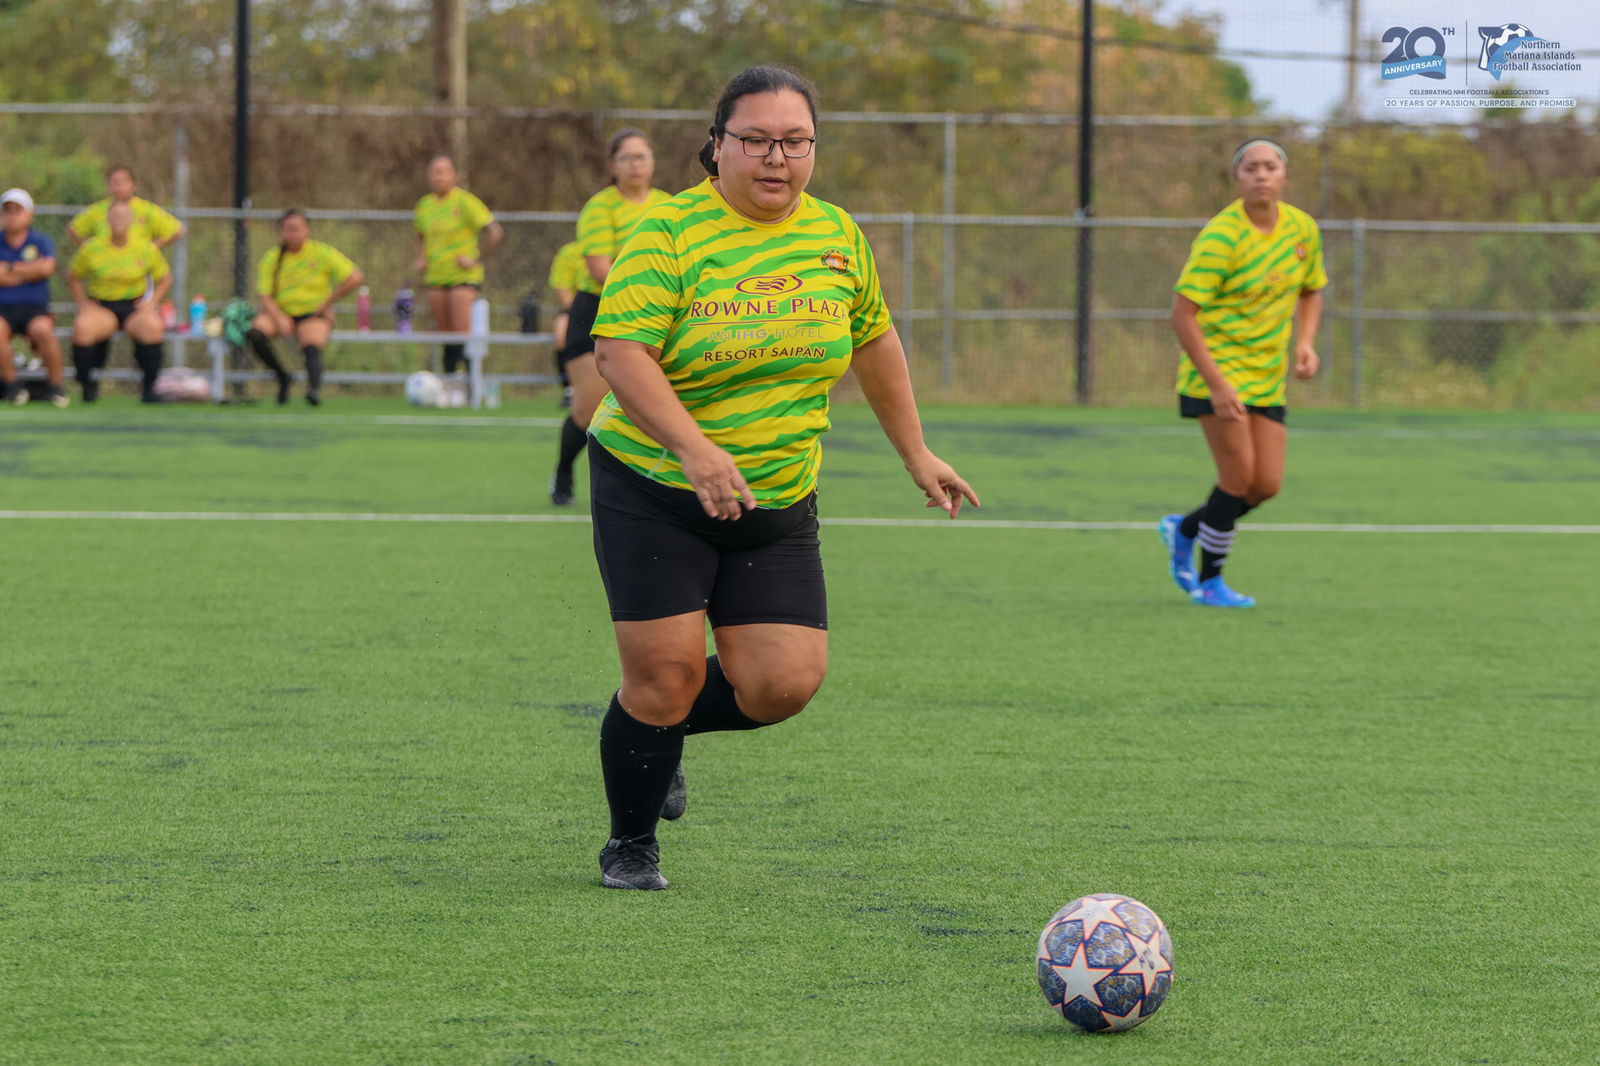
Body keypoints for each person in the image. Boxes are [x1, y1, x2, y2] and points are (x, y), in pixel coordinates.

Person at [585, 66, 979, 890]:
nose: (777, 159)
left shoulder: (836, 236)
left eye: (795, 142)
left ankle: (660, 733)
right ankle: (631, 844)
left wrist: (918, 453)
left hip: (777, 495)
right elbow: (620, 353)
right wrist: (695, 449)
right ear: (717, 146)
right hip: (655, 487)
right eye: (757, 141)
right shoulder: (669, 233)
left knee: (781, 685)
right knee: (665, 676)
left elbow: (873, 340)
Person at [1159, 138, 1326, 608]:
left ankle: (1185, 528)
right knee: (1236, 479)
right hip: (1216, 374)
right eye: (1250, 167)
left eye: (1270, 166)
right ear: (1237, 178)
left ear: (1284, 175)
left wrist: (1306, 343)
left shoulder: (1301, 230)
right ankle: (1210, 582)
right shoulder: (1221, 236)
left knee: (1265, 485)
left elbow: (1312, 289)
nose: (1261, 175)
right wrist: (1216, 384)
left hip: (1267, 376)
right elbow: (1182, 313)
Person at [548, 130, 672, 506]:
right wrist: (654, 280)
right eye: (626, 157)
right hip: (598, 312)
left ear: (653, 162)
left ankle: (651, 489)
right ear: (612, 165)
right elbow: (601, 268)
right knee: (588, 410)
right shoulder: (600, 207)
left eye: (642, 156)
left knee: (653, 408)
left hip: (656, 314)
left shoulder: (670, 206)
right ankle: (564, 471)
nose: (635, 164)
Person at [244, 210, 364, 406]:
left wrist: (327, 302)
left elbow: (355, 277)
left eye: (297, 229)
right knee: (255, 333)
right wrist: (280, 317)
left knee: (312, 344)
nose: (292, 234)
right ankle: (283, 377)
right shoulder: (272, 258)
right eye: (287, 229)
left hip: (313, 314)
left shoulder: (321, 252)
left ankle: (313, 390)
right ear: (281, 232)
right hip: (282, 313)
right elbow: (264, 295)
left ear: (307, 230)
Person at [67, 201, 172, 403]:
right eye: (115, 217)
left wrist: (152, 303)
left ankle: (149, 388)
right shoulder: (93, 247)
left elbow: (165, 278)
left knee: (152, 326)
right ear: (107, 220)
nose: (119, 221)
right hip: (103, 305)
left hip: (134, 306)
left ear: (132, 220)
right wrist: (83, 303)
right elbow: (73, 276)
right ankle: (87, 387)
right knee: (83, 327)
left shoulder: (145, 247)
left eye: (124, 217)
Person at [412, 154, 502, 376]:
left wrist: (475, 259)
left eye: (443, 171)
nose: (438, 176)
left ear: (454, 175)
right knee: (444, 334)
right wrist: (421, 257)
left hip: (462, 277)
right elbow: (420, 236)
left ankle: (473, 383)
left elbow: (495, 233)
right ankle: (449, 383)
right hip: (435, 277)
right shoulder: (424, 205)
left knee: (462, 332)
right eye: (434, 172)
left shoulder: (465, 201)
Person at [0, 188, 69, 407]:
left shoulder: (41, 240)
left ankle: (56, 388)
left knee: (43, 330)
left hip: (35, 308)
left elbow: (46, 268)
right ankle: (13, 387)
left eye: (17, 211)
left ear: (29, 214)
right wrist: (29, 271)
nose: (12, 215)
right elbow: (36, 270)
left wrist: (9, 270)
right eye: (7, 211)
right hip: (3, 309)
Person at [68, 165, 184, 248]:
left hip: (137, 271)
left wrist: (152, 248)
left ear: (134, 185)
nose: (119, 186)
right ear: (108, 186)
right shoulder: (97, 210)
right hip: (106, 272)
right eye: (115, 182)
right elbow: (74, 229)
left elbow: (177, 230)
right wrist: (91, 250)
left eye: (124, 182)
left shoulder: (146, 209)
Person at [546, 239, 585, 408]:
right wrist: (580, 314)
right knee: (562, 332)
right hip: (578, 309)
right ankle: (570, 388)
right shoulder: (569, 252)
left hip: (610, 307)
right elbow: (563, 291)